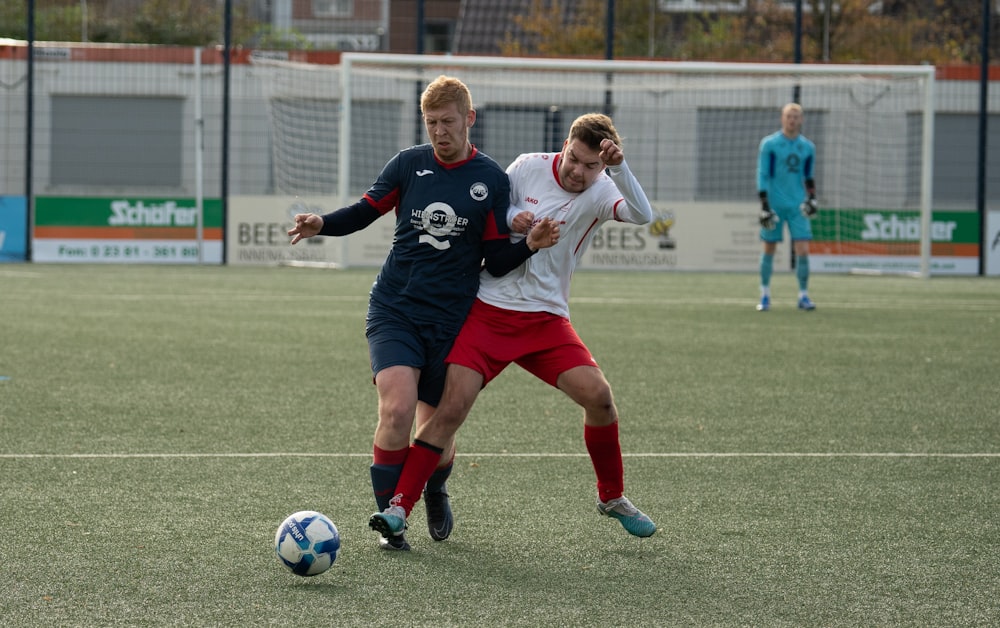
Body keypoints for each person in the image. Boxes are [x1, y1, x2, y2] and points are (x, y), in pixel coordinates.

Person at [287, 75, 559, 551]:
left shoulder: (492, 179)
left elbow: (495, 261)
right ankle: (392, 525)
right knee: (396, 408)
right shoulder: (408, 165)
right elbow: (365, 210)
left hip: (453, 320)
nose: (439, 132)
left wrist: (530, 247)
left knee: (437, 431)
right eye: (431, 123)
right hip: (395, 308)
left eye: (448, 122)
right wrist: (322, 224)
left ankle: (434, 488)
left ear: (469, 119)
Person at [368, 113, 657, 547]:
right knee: (449, 412)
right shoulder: (527, 166)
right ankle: (398, 509)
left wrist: (619, 168)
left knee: (599, 397)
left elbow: (642, 214)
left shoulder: (602, 189)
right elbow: (489, 207)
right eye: (574, 159)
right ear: (564, 145)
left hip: (545, 320)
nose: (578, 172)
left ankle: (611, 497)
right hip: (488, 311)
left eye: (590, 166)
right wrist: (518, 219)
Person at [755, 102, 819, 312]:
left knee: (802, 249)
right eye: (788, 116)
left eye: (796, 116)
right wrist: (764, 204)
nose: (792, 120)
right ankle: (764, 294)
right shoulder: (770, 144)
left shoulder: (808, 147)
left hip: (797, 206)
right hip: (774, 205)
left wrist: (812, 198)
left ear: (801, 120)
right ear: (782, 119)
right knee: (769, 248)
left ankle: (803, 295)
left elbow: (809, 177)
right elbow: (763, 174)